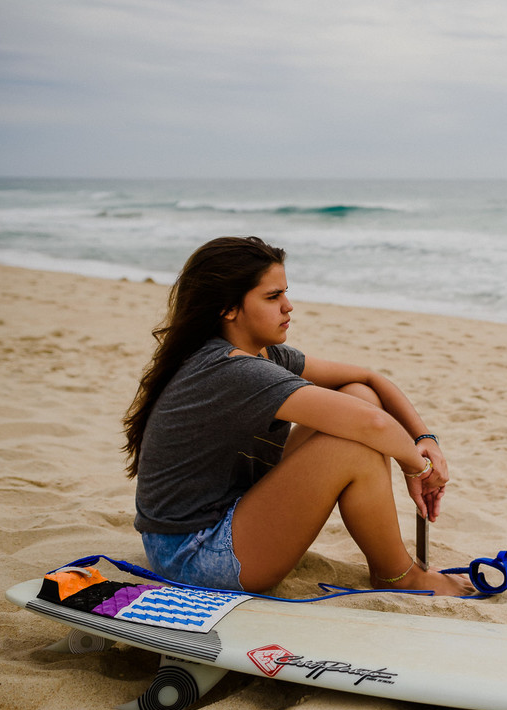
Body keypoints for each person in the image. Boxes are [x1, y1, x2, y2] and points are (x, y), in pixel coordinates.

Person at [123, 235, 471, 596]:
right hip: (193, 554)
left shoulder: (261, 354)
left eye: (285, 293)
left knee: (358, 395)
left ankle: (394, 570)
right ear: (228, 308)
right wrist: (418, 468)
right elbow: (375, 424)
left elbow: (369, 379)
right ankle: (400, 576)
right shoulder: (232, 370)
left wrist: (425, 440)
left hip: (224, 518)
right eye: (273, 297)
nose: (288, 307)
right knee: (352, 445)